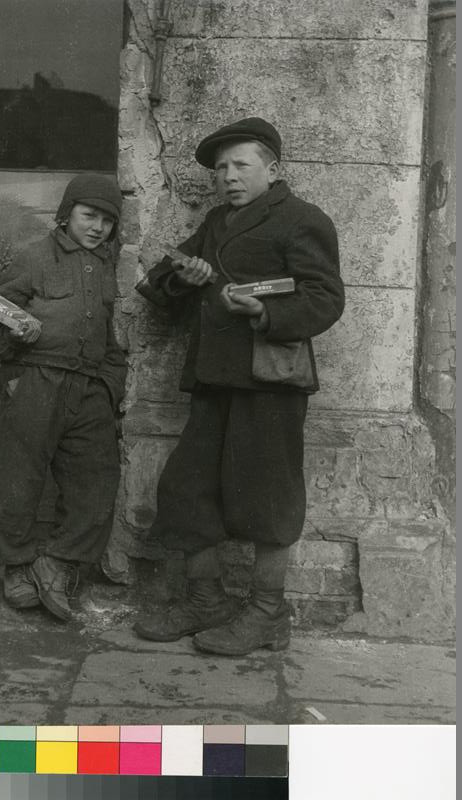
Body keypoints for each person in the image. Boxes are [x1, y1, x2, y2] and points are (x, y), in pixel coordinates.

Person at [134, 118, 344, 655]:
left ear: (272, 170)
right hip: (214, 378)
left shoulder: (303, 220)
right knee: (185, 491)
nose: (227, 177)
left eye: (240, 165)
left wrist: (265, 311)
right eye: (220, 169)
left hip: (270, 384)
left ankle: (269, 615)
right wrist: (186, 275)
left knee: (269, 500)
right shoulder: (214, 222)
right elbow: (161, 281)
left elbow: (325, 299)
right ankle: (208, 602)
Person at [0, 174, 126, 621]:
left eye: (107, 221)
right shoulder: (34, 258)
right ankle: (16, 567)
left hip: (88, 387)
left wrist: (109, 386)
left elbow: (109, 335)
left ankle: (56, 563)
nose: (98, 227)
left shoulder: (105, 266)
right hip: (33, 381)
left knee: (97, 481)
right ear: (66, 215)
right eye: (88, 216)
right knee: (17, 479)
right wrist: (15, 332)